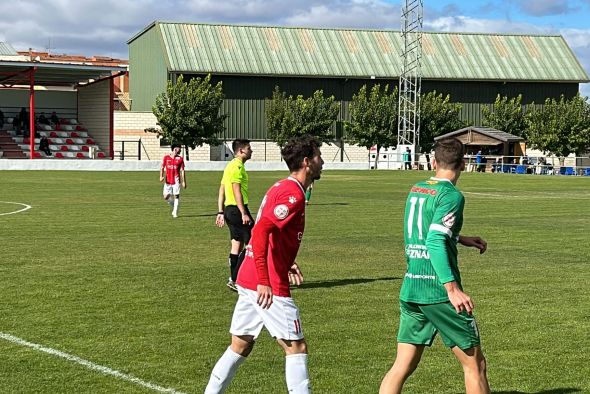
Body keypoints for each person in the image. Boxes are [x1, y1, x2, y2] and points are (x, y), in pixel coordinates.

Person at [204, 135, 324, 394]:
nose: (321, 161)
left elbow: (269, 233)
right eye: (317, 156)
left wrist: (287, 261)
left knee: (241, 343)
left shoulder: (283, 186)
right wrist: (264, 279)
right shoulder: (293, 195)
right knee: (296, 347)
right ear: (306, 162)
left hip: (248, 276)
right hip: (264, 281)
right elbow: (260, 233)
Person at [380, 138, 490, 394]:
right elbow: (435, 238)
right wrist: (451, 289)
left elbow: (430, 229)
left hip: (412, 285)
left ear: (433, 162)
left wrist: (460, 238)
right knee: (476, 365)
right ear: (464, 164)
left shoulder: (417, 188)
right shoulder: (452, 196)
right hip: (438, 292)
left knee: (402, 364)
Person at [215, 139, 254, 291]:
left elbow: (222, 189)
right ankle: (237, 279)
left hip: (228, 210)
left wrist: (220, 212)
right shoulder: (237, 166)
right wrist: (243, 212)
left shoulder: (229, 166)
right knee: (253, 244)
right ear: (241, 151)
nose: (251, 151)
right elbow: (235, 189)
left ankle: (233, 279)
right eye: (249, 148)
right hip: (238, 210)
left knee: (236, 244)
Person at [159, 144, 186, 218]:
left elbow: (182, 170)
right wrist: (161, 176)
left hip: (176, 180)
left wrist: (183, 181)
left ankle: (175, 212)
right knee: (165, 197)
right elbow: (162, 167)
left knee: (176, 195)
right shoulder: (166, 158)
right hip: (168, 180)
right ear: (175, 149)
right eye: (179, 148)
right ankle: (174, 204)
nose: (180, 150)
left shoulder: (180, 159)